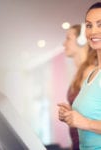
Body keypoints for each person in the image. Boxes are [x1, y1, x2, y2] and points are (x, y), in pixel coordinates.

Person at [58, 2, 101, 150]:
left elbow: (87, 121)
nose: (93, 31)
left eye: (100, 24)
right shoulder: (92, 74)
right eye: (89, 25)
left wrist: (84, 122)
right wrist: (71, 114)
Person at [63, 24, 97, 150]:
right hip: (78, 143)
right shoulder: (78, 74)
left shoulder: (91, 72)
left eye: (68, 38)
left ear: (81, 40)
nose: (64, 43)